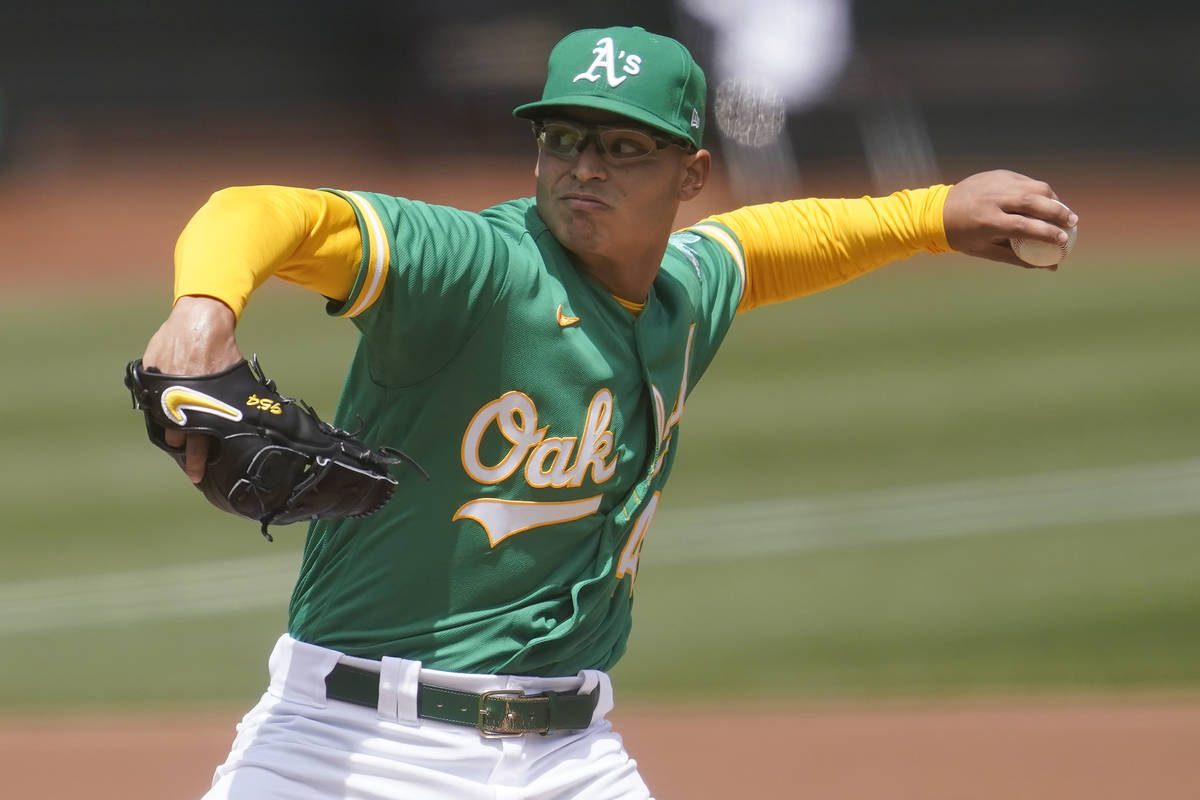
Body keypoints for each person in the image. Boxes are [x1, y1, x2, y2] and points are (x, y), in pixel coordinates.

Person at [140, 25, 1077, 800]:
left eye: (624, 147)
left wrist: (932, 214)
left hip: (569, 758)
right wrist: (201, 312)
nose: (586, 167)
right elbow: (263, 211)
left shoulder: (682, 292)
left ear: (691, 173)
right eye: (564, 138)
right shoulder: (477, 268)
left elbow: (770, 242)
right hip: (345, 748)